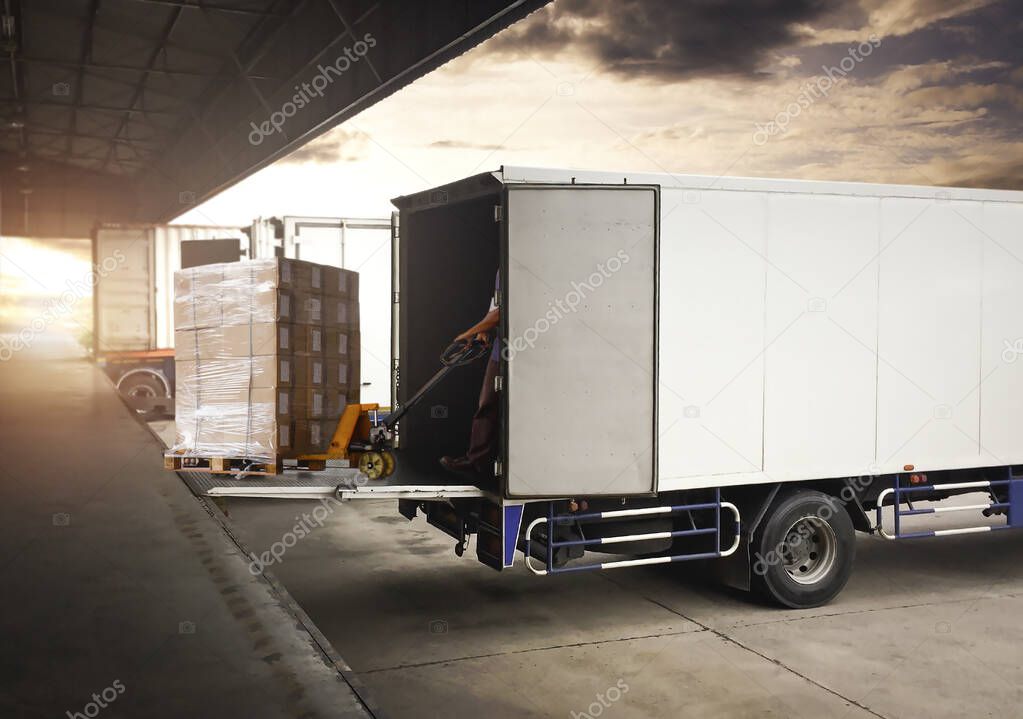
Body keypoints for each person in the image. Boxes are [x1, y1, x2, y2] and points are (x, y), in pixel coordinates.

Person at [440, 272, 500, 473]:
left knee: (491, 404)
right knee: (488, 403)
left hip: (517, 347)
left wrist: (468, 333)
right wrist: (484, 329)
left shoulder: (517, 263)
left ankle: (478, 463)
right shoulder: (502, 269)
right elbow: (496, 307)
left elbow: (503, 312)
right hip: (501, 350)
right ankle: (479, 463)